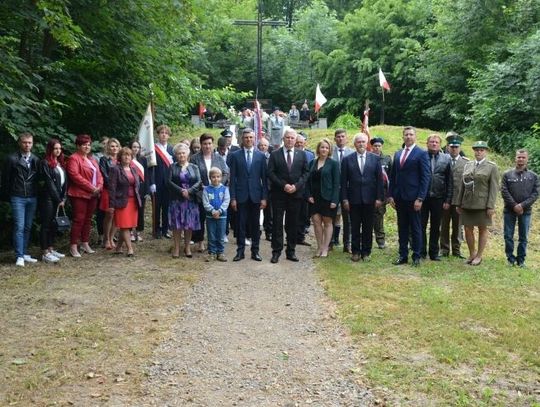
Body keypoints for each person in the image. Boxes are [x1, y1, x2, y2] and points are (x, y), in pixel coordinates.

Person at [388, 126, 431, 267]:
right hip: (399, 198)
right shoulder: (398, 153)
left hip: (414, 199)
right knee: (402, 228)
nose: (408, 137)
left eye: (411, 134)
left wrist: (420, 198)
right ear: (403, 137)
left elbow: (426, 178)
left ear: (415, 137)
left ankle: (416, 256)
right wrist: (391, 195)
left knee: (416, 228)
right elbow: (393, 176)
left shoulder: (421, 154)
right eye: (406, 134)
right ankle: (403, 255)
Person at [267, 129, 310, 263]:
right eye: (288, 138)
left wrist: (296, 186)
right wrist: (283, 185)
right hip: (279, 194)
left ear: (295, 140)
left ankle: (291, 251)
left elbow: (306, 173)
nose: (290, 140)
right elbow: (271, 173)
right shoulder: (275, 154)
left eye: (292, 138)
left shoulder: (302, 155)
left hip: (295, 195)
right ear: (283, 139)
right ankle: (276, 251)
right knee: (277, 224)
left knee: (293, 224)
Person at [341, 133, 384, 262]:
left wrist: (379, 198)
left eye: (363, 142)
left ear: (367, 144)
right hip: (353, 200)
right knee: (354, 226)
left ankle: (366, 252)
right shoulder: (347, 159)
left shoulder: (375, 159)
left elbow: (379, 181)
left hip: (370, 200)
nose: (361, 144)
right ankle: (355, 252)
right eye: (358, 142)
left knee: (367, 227)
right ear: (354, 144)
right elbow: (343, 182)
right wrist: (344, 199)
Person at [456, 141, 499, 266]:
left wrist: (490, 206)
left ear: (486, 151)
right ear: (473, 151)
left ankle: (479, 256)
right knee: (468, 228)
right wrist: (459, 203)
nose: (479, 152)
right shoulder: (468, 165)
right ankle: (472, 254)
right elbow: (462, 185)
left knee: (482, 229)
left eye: (481, 150)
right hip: (467, 203)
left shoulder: (492, 167)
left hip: (482, 204)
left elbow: (494, 188)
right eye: (476, 150)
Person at [228, 128, 268, 262]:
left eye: (251, 137)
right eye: (246, 138)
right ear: (242, 139)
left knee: (255, 225)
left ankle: (255, 251)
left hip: (256, 196)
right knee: (240, 224)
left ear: (254, 139)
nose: (248, 140)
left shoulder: (261, 156)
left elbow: (264, 179)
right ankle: (240, 252)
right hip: (241, 195)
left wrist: (264, 198)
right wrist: (232, 197)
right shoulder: (235, 155)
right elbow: (232, 178)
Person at [1, 132, 40, 266]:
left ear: (32, 143)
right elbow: (5, 180)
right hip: (17, 196)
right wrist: (7, 196)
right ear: (19, 143)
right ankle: (19, 256)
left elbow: (37, 180)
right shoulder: (11, 159)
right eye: (25, 142)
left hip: (32, 196)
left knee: (28, 227)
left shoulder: (35, 159)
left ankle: (24, 253)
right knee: (19, 226)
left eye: (29, 142)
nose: (27, 145)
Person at [190, 133, 229, 252]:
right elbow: (192, 175)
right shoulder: (194, 158)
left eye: (209, 143)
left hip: (216, 194)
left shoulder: (218, 157)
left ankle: (216, 243)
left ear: (213, 144)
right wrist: (201, 185)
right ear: (201, 145)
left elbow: (226, 172)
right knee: (201, 218)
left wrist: (218, 184)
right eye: (205, 144)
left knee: (215, 220)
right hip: (201, 193)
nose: (207, 146)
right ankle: (200, 242)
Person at [66, 134, 103, 258]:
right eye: (84, 145)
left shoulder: (92, 159)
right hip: (79, 194)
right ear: (78, 146)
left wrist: (99, 187)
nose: (87, 147)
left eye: (88, 144)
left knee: (88, 220)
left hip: (93, 194)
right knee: (78, 220)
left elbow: (99, 175)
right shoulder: (73, 158)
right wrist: (91, 187)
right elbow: (75, 176)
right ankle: (73, 245)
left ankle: (85, 243)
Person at [500, 149, 539, 267]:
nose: (521, 159)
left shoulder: (533, 176)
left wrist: (522, 205)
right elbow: (504, 191)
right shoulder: (507, 174)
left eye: (523, 157)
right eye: (519, 157)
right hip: (509, 210)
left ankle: (521, 260)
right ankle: (510, 259)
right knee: (508, 235)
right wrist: (514, 205)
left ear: (527, 159)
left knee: (524, 236)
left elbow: (535, 194)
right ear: (515, 158)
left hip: (526, 211)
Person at [421, 134, 453, 261]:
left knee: (435, 226)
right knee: (420, 225)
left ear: (440, 144)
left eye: (436, 142)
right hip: (423, 197)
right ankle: (421, 251)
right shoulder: (421, 157)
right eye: (431, 142)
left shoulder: (446, 159)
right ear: (427, 143)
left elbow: (449, 181)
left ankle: (433, 253)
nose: (434, 144)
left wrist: (448, 199)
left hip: (438, 198)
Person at [306, 138, 340, 257]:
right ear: (318, 149)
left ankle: (326, 248)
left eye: (326, 147)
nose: (324, 149)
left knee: (328, 223)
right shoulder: (312, 163)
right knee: (316, 222)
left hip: (328, 198)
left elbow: (337, 183)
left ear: (329, 149)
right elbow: (307, 181)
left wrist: (335, 200)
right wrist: (309, 195)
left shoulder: (334, 164)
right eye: (322, 147)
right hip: (314, 199)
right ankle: (319, 247)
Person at [168, 143, 201, 258]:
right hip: (177, 200)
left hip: (190, 200)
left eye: (183, 153)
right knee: (176, 226)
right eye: (179, 153)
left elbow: (199, 182)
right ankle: (176, 247)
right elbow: (169, 182)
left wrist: (189, 191)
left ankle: (187, 247)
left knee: (189, 225)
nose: (181, 155)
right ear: (176, 155)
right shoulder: (172, 167)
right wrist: (182, 191)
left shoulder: (194, 167)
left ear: (187, 154)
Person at [109, 147, 142, 257]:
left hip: (133, 201)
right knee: (124, 225)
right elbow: (112, 188)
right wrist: (111, 205)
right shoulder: (115, 169)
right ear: (120, 157)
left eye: (129, 155)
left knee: (128, 226)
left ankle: (118, 248)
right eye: (124, 154)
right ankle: (130, 249)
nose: (127, 156)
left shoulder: (133, 169)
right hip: (121, 201)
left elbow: (137, 186)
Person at [38, 139, 67, 263]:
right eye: (55, 148)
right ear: (50, 149)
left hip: (59, 198)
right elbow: (49, 183)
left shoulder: (60, 163)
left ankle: (50, 248)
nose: (58, 151)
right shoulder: (45, 163)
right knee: (46, 224)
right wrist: (58, 199)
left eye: (60, 149)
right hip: (48, 198)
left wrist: (64, 197)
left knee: (53, 225)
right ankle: (45, 252)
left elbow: (65, 182)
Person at [440, 133, 468, 258]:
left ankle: (456, 250)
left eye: (456, 147)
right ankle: (444, 249)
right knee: (444, 225)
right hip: (444, 199)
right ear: (447, 147)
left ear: (460, 148)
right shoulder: (442, 160)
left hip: (459, 200)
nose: (454, 149)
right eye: (452, 147)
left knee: (458, 227)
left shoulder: (466, 163)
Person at [331, 128, 354, 253]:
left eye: (342, 136)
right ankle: (330, 242)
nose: (340, 138)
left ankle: (347, 244)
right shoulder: (329, 152)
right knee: (331, 216)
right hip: (333, 190)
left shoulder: (352, 153)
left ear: (346, 138)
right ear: (335, 139)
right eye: (338, 136)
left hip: (348, 190)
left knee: (348, 218)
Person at [203, 167, 230, 262]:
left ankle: (220, 252)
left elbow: (226, 201)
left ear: (221, 177)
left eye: (218, 177)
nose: (216, 179)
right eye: (213, 177)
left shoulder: (224, 189)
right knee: (211, 234)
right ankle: (212, 253)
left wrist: (220, 211)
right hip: (210, 216)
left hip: (222, 216)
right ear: (210, 178)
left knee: (220, 234)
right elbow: (205, 203)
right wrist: (213, 211)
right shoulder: (206, 189)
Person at [370, 136, 392, 249]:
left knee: (379, 216)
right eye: (375, 146)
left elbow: (391, 177)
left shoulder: (387, 159)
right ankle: (367, 238)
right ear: (372, 147)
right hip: (369, 192)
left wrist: (389, 195)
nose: (377, 148)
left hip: (382, 193)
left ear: (381, 146)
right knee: (368, 216)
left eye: (379, 146)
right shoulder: (368, 158)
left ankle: (380, 240)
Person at [153, 124, 175, 239]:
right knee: (157, 207)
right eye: (162, 133)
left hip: (169, 183)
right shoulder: (153, 149)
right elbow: (150, 167)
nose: (164, 135)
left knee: (167, 207)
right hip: (156, 182)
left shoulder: (172, 149)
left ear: (169, 136)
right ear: (158, 134)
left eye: (166, 133)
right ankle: (156, 229)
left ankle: (165, 229)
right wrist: (151, 182)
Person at [99, 138, 120, 250]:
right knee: (109, 214)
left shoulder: (121, 160)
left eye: (116, 146)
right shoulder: (103, 160)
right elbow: (104, 174)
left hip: (120, 192)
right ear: (108, 148)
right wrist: (113, 186)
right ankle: (106, 239)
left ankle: (112, 238)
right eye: (112, 146)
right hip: (109, 190)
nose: (114, 148)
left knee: (117, 215)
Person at [295, 132, 314, 246]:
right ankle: (291, 237)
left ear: (305, 143)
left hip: (306, 190)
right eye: (297, 143)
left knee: (304, 215)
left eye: (301, 143)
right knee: (293, 215)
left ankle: (301, 237)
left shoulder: (310, 155)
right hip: (293, 188)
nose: (299, 145)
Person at [130, 140, 150, 242]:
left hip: (141, 189)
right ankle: (129, 232)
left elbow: (146, 175)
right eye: (134, 147)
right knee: (130, 210)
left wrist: (147, 190)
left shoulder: (143, 159)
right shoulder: (127, 159)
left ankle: (138, 231)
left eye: (137, 147)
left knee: (140, 210)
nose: (135, 149)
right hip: (130, 188)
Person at [258, 137, 273, 241]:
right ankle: (256, 232)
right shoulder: (255, 156)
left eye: (265, 145)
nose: (263, 147)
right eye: (261, 145)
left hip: (269, 189)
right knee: (256, 211)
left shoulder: (272, 158)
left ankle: (269, 232)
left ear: (268, 147)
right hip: (257, 188)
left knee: (269, 213)